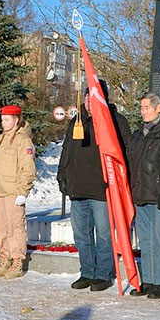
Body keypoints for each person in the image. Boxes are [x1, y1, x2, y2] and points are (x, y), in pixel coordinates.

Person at [57, 80, 131, 292]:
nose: (90, 100)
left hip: (101, 189)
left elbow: (125, 154)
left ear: (104, 98)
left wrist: (119, 181)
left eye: (95, 95)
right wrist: (62, 175)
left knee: (104, 234)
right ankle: (87, 272)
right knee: (82, 235)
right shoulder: (76, 121)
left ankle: (103, 274)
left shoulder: (116, 121)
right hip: (77, 189)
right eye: (88, 96)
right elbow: (66, 151)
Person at [127, 92, 160, 299]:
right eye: (141, 108)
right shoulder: (138, 135)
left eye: (147, 107)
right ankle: (147, 280)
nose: (143, 112)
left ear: (159, 108)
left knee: (159, 239)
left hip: (159, 196)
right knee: (145, 240)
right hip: (141, 193)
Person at [0, 105, 36, 280]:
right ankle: (4, 258)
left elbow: (28, 168)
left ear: (16, 120)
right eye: (2, 120)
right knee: (0, 228)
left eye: (7, 120)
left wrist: (23, 191)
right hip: (0, 191)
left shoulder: (23, 140)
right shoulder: (0, 139)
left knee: (15, 228)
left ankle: (17, 261)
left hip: (14, 192)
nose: (3, 123)